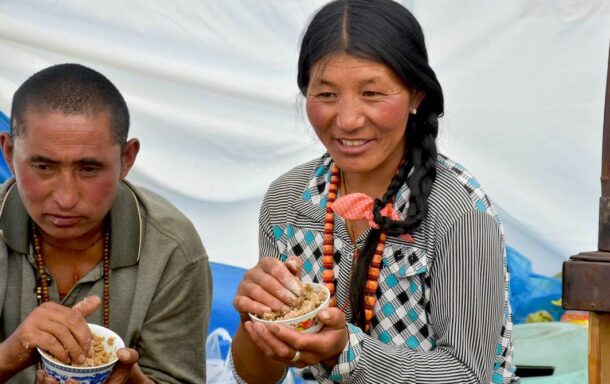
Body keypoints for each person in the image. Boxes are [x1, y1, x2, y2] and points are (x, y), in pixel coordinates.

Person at [231, 0, 517, 383]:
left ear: (416, 95)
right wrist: (253, 316)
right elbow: (260, 376)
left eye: (372, 93)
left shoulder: (458, 210)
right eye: (327, 95)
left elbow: (467, 374)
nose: (348, 120)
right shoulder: (287, 202)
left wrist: (344, 351)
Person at [0, 63, 212, 383]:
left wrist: (133, 381)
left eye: (89, 169)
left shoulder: (171, 249)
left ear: (127, 159)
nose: (67, 197)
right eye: (43, 166)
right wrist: (8, 357)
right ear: (8, 153)